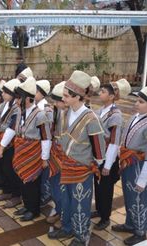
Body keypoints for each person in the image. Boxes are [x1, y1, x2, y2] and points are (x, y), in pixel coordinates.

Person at [48, 70, 105, 246]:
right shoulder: (64, 114)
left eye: (66, 95)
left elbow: (98, 149)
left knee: (81, 203)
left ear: (77, 97)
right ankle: (67, 228)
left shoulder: (91, 118)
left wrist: (95, 165)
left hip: (82, 169)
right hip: (65, 166)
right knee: (66, 200)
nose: (62, 98)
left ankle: (81, 235)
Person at [112, 82, 147, 246]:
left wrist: (143, 180)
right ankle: (130, 224)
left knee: (140, 199)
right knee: (130, 197)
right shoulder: (137, 116)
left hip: (142, 167)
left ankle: (140, 232)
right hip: (130, 163)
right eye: (137, 100)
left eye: (141, 102)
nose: (136, 104)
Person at [92, 78, 131, 231]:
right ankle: (100, 209)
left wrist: (107, 164)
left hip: (108, 157)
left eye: (103, 92)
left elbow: (114, 142)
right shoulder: (101, 111)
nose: (100, 93)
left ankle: (105, 217)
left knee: (106, 189)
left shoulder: (116, 115)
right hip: (98, 156)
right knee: (98, 185)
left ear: (112, 96)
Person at [12, 77, 52, 221]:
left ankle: (33, 209)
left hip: (33, 153)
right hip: (22, 151)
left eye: (19, 98)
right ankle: (26, 205)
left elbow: (46, 137)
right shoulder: (21, 112)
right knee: (23, 180)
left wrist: (44, 158)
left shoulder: (40, 115)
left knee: (32, 182)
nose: (16, 101)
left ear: (28, 99)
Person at [0, 78, 23, 209]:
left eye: (5, 92)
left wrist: (2, 147)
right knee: (1, 167)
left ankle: (16, 195)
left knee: (10, 168)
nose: (2, 94)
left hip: (9, 143)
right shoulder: (4, 105)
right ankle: (7, 190)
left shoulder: (16, 108)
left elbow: (11, 128)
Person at [45, 81, 66, 224]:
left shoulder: (74, 115)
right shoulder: (56, 112)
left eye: (59, 101)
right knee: (54, 184)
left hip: (66, 157)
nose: (56, 104)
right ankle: (59, 209)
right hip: (54, 154)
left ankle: (64, 212)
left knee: (63, 186)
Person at [35, 80, 52, 206]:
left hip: (43, 144)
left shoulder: (45, 109)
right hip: (37, 145)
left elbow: (47, 133)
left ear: (41, 93)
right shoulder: (36, 106)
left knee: (44, 172)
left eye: (35, 91)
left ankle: (45, 195)